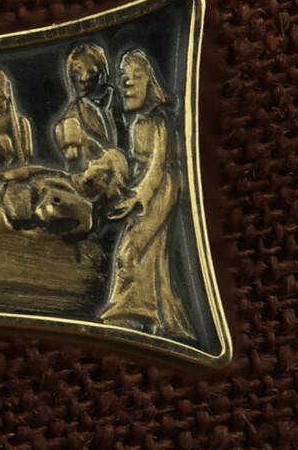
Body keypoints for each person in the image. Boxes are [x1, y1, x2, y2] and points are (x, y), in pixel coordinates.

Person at [101, 48, 193, 340]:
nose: (126, 82)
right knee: (152, 256)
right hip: (144, 190)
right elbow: (138, 168)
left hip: (160, 190)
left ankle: (123, 316)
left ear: (150, 82)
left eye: (135, 76)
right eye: (123, 77)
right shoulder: (137, 121)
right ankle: (161, 319)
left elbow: (156, 167)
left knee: (130, 252)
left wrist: (139, 195)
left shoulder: (157, 121)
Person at [52, 42, 115, 168]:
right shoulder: (70, 120)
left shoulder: (119, 99)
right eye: (76, 72)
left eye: (90, 71)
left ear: (102, 73)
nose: (83, 78)